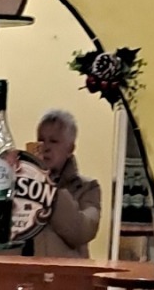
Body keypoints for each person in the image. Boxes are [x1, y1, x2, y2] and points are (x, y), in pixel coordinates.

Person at [27, 109, 101, 256]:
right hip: (16, 267)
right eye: (41, 140)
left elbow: (81, 232)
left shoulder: (88, 188)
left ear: (70, 149)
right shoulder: (22, 182)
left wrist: (49, 186)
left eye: (53, 141)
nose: (45, 147)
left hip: (63, 270)